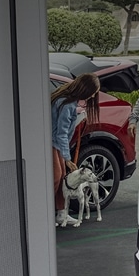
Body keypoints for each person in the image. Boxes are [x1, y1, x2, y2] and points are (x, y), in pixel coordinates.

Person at [51, 73, 101, 227]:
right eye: (93, 92)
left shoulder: (65, 98)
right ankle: (47, 212)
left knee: (61, 177)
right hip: (53, 144)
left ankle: (61, 213)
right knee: (57, 177)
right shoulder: (67, 104)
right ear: (85, 90)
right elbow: (62, 132)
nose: (93, 96)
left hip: (56, 144)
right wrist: (67, 158)